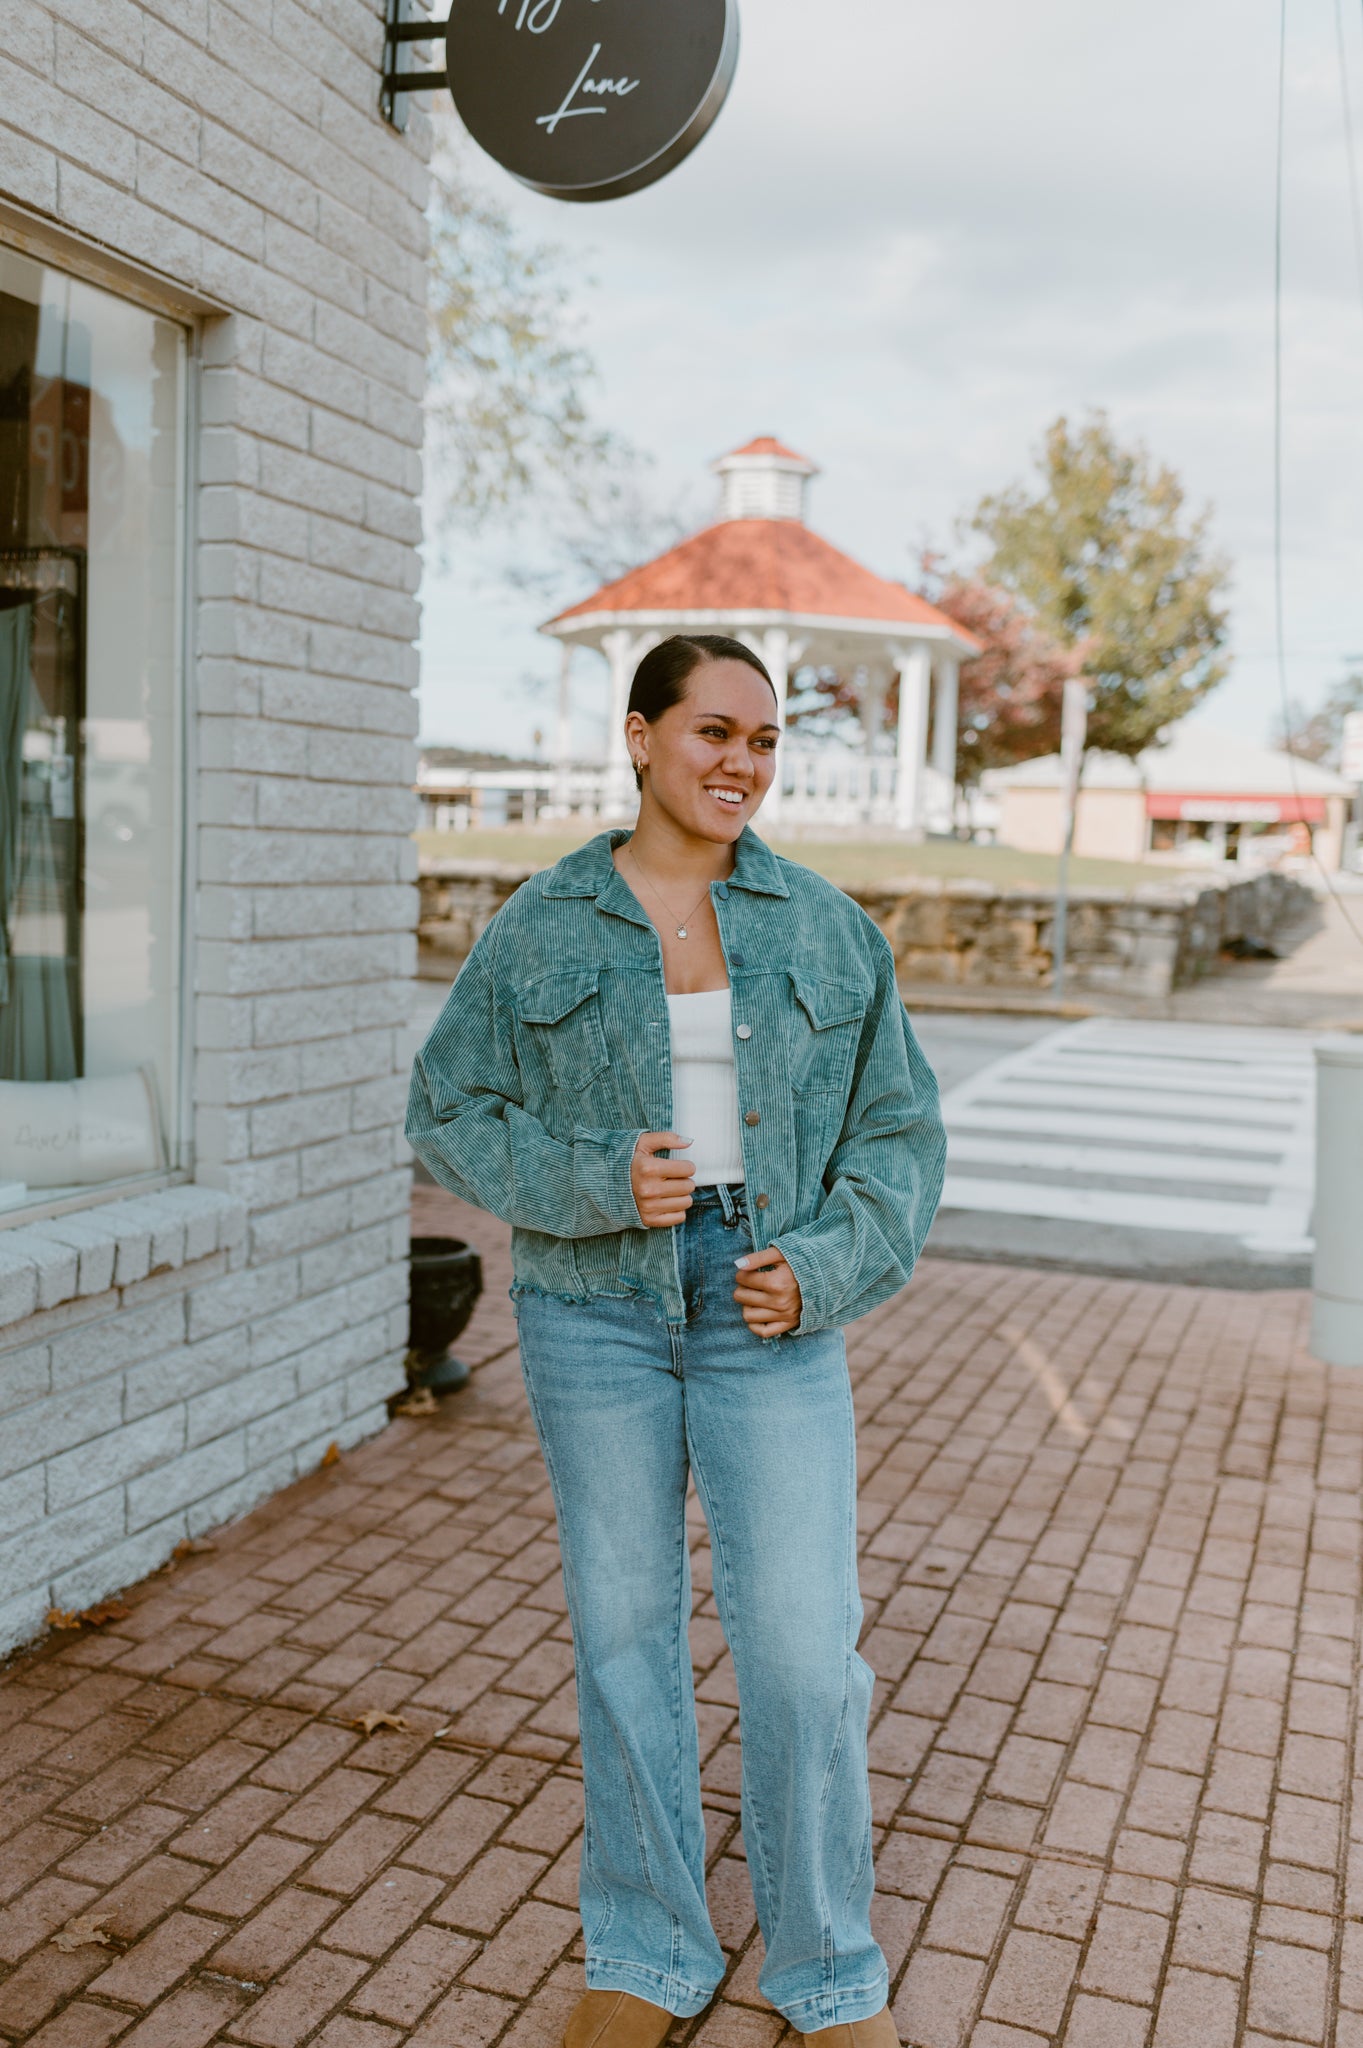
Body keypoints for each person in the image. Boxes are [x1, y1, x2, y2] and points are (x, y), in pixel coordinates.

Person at [406, 635, 947, 2048]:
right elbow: (448, 1112)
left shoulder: (831, 930)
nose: (740, 765)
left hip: (768, 1299)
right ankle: (646, 1950)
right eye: (714, 732)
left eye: (764, 742)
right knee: (625, 1634)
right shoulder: (542, 923)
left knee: (800, 1649)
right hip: (596, 1309)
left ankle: (829, 1969)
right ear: (639, 735)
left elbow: (899, 1138)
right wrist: (598, 1180)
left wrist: (822, 1266)